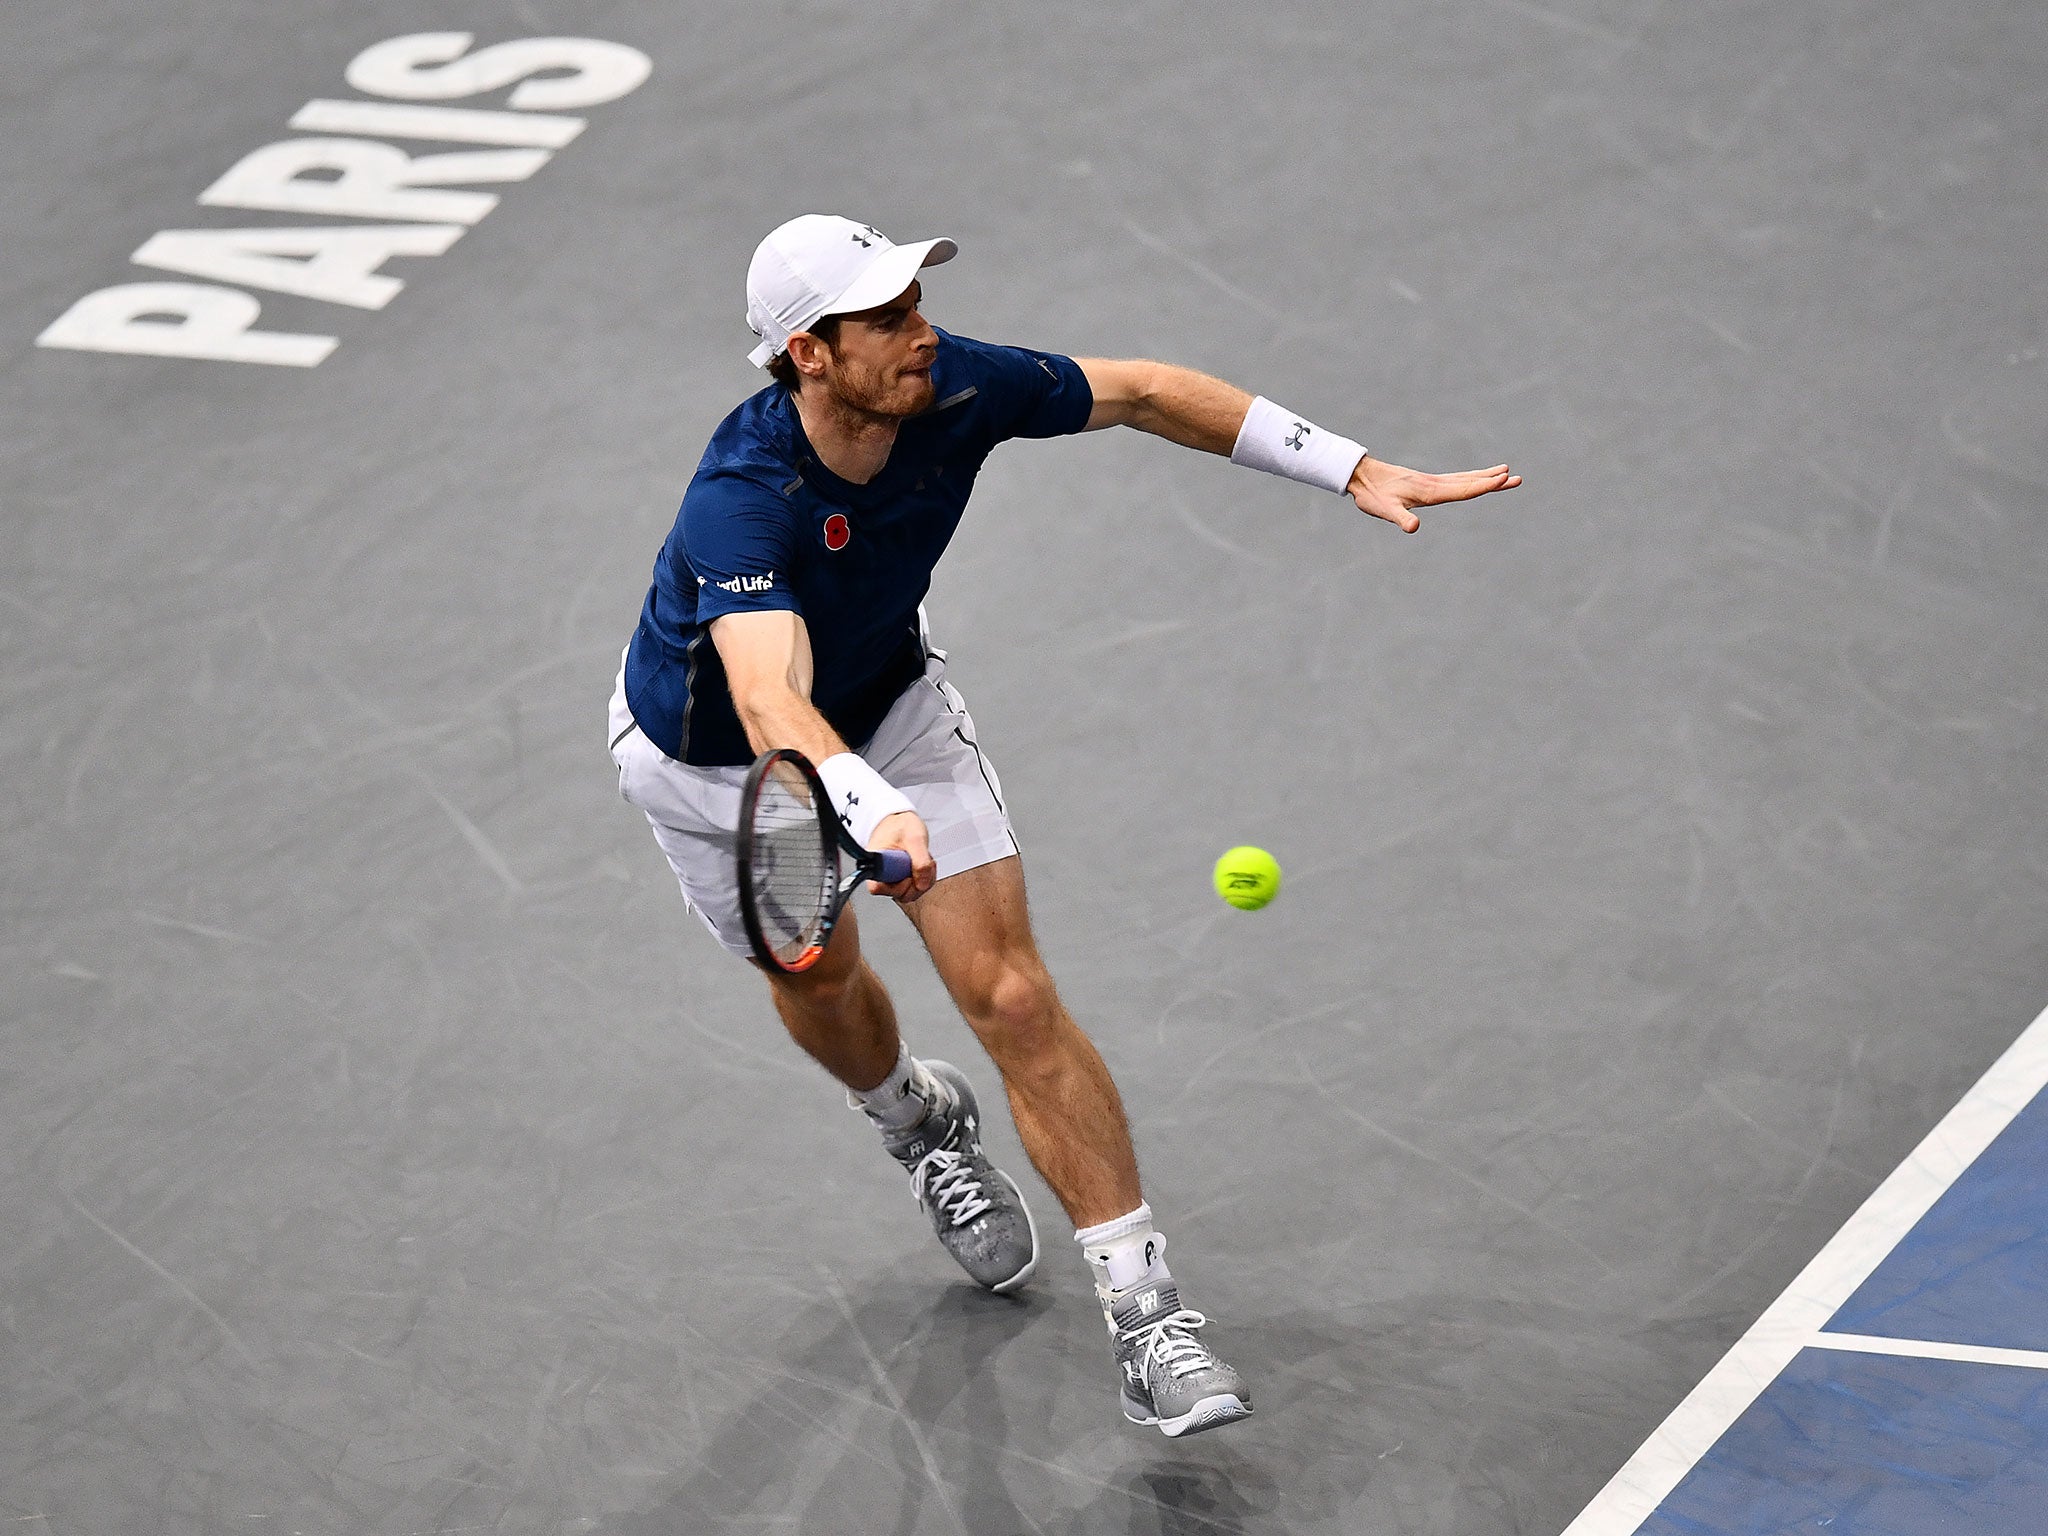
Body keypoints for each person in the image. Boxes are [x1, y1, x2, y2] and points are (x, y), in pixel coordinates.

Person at [609, 214, 1520, 1437]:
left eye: (911, 302)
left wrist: (1347, 465)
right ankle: (912, 1121)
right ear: (808, 354)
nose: (916, 331)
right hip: (717, 767)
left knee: (1015, 998)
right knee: (819, 975)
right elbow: (770, 696)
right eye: (879, 318)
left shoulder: (952, 386)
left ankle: (1148, 1320)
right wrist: (863, 809)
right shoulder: (742, 499)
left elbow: (1142, 393)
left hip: (890, 710)